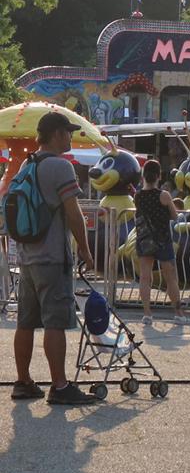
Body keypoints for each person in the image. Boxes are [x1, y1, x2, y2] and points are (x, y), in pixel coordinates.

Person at [10, 111, 99, 405]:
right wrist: (85, 250)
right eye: (68, 132)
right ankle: (60, 386)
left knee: (25, 322)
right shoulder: (60, 167)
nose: (71, 137)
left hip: (27, 257)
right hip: (51, 257)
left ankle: (22, 381)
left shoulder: (27, 163)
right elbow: (74, 213)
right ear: (57, 133)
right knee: (55, 322)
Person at [134, 159, 183, 324]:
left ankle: (147, 314)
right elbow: (175, 216)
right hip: (163, 240)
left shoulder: (138, 196)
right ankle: (178, 313)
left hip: (144, 240)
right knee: (171, 278)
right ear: (159, 175)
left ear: (143, 175)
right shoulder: (164, 195)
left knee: (145, 277)